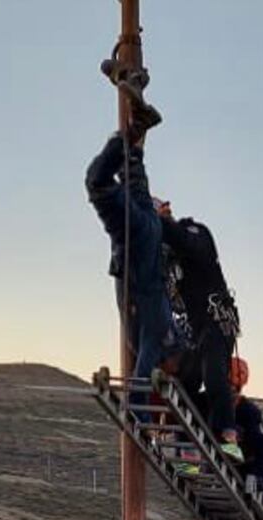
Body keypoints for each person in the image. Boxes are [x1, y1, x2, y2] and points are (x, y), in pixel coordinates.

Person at [85, 68, 175, 389]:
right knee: (97, 182)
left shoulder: (161, 326)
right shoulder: (158, 334)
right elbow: (141, 377)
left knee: (132, 162)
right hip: (137, 237)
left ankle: (135, 112)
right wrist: (139, 413)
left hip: (143, 227)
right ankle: (134, 122)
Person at [155, 200, 243, 461]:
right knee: (186, 385)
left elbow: (185, 241)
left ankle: (228, 438)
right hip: (193, 329)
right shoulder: (166, 260)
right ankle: (188, 451)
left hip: (216, 320)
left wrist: (161, 222)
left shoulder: (195, 232)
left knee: (214, 376)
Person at [229, 357, 263, 502]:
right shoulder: (205, 404)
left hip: (244, 466)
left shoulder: (248, 411)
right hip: (217, 461)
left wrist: (258, 475)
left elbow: (261, 448)